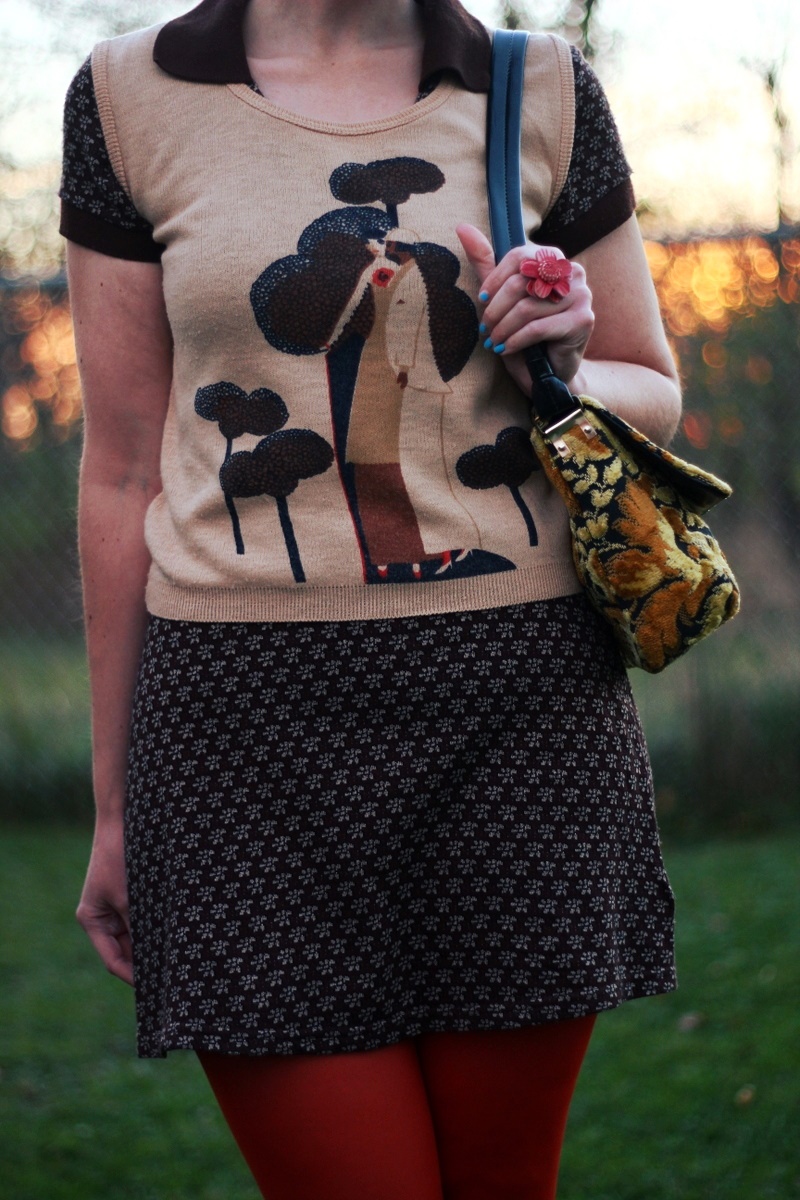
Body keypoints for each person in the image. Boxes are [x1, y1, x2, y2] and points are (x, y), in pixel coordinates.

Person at [61, 1, 681, 1197]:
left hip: (523, 732)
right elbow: (125, 466)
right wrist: (116, 805)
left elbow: (649, 393)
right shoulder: (129, 95)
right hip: (238, 751)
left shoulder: (538, 85)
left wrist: (564, 344)